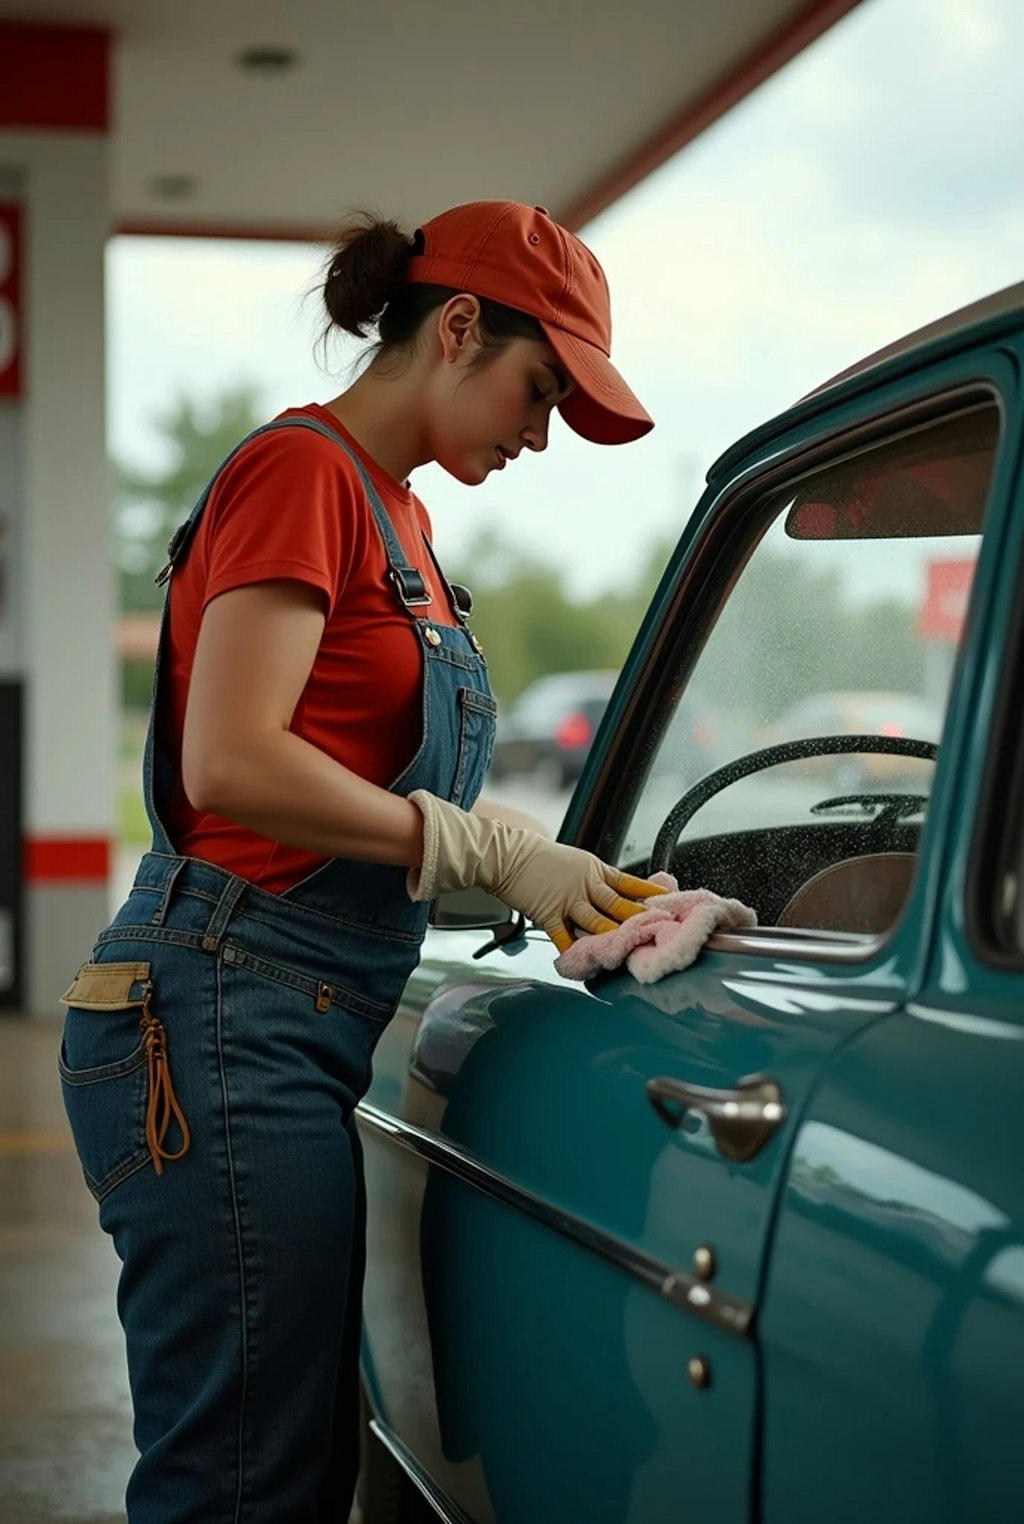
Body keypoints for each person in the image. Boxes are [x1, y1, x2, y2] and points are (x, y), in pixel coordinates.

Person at [57, 199, 662, 1523]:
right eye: (539, 387)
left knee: (288, 1463)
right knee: (242, 1485)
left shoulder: (402, 522)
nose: (539, 432)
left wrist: (559, 874)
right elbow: (234, 762)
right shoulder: (303, 474)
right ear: (457, 328)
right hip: (219, 1008)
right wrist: (485, 846)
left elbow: (350, 769)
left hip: (288, 1012)